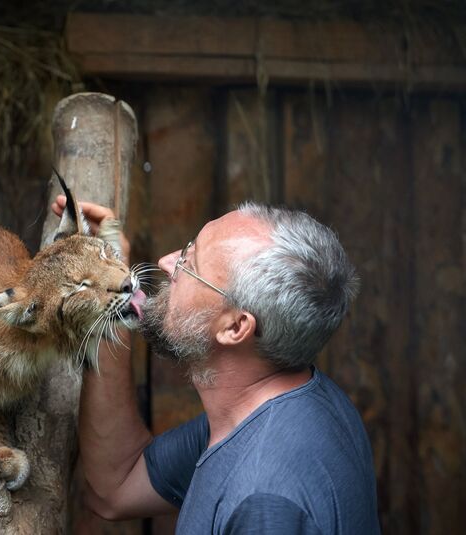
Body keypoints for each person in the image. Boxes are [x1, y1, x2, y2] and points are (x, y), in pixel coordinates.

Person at [51, 196, 380, 534]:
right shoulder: (273, 407)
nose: (166, 261)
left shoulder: (264, 500)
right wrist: (109, 294)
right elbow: (116, 486)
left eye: (188, 265)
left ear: (235, 327)